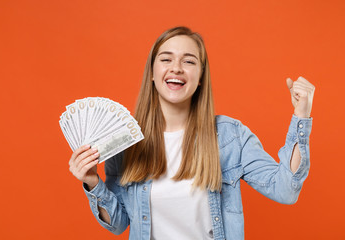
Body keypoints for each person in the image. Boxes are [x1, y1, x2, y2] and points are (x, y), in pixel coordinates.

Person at [68, 26, 315, 240]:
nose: (176, 68)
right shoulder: (126, 142)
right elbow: (118, 224)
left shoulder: (230, 137)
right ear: (152, 74)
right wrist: (92, 181)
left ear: (199, 78)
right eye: (166, 59)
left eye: (189, 61)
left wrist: (301, 117)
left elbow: (285, 190)